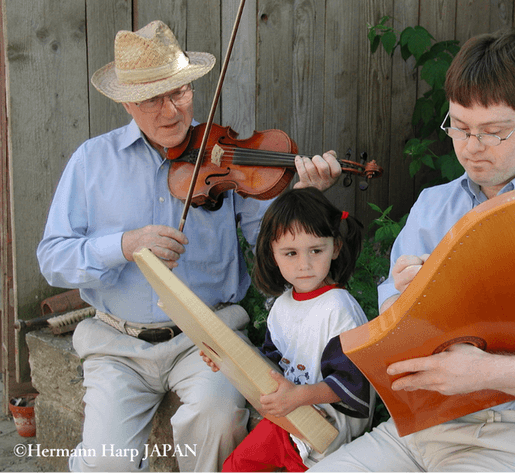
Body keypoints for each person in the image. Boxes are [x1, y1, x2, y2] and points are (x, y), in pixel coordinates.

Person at [308, 28, 515, 473]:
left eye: (494, 132)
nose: (472, 147)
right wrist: (403, 298)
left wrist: (483, 371)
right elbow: (394, 319)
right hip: (420, 430)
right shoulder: (435, 204)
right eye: (459, 126)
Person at [36, 21, 341, 473]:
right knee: (102, 463)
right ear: (126, 102)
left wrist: (305, 196)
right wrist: (125, 244)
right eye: (151, 99)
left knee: (217, 420)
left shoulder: (226, 154)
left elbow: (275, 247)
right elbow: (53, 258)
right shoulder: (91, 162)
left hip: (209, 339)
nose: (170, 111)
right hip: (118, 344)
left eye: (178, 93)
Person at [203, 187, 374, 472]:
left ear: (336, 248)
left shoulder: (338, 309)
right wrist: (226, 359)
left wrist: (298, 397)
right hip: (290, 414)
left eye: (316, 250)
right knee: (234, 467)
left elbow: (352, 383)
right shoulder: (282, 306)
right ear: (272, 252)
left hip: (328, 422)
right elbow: (271, 363)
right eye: (291, 253)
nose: (304, 265)